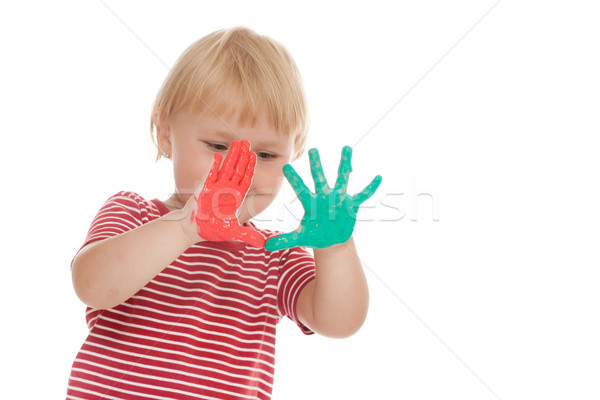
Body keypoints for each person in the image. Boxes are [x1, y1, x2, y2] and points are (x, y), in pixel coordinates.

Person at [67, 27, 380, 400]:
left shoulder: (274, 254)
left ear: (291, 157)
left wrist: (334, 247)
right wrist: (185, 228)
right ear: (165, 134)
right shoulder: (132, 213)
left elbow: (340, 321)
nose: (242, 171)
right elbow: (92, 286)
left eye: (264, 155)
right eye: (218, 145)